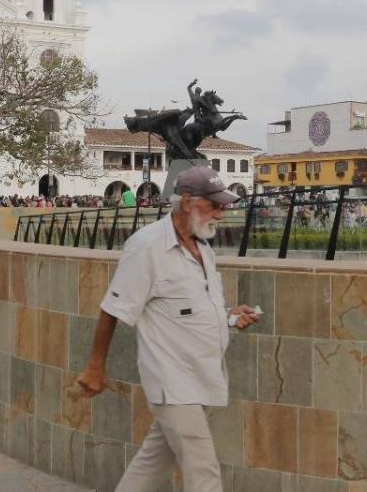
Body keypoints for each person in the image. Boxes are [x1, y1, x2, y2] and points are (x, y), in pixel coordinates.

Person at [76, 167, 260, 491]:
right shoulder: (146, 247)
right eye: (214, 205)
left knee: (151, 465)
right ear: (187, 202)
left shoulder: (203, 248)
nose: (221, 213)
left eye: (224, 206)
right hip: (172, 383)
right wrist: (95, 365)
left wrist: (230, 316)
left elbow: (195, 306)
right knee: (204, 473)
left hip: (201, 376)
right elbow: (112, 307)